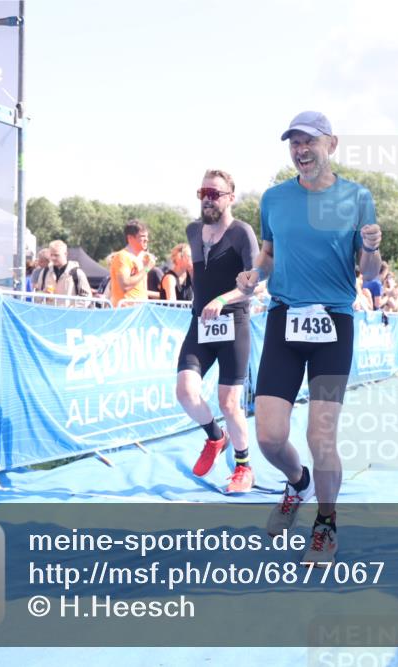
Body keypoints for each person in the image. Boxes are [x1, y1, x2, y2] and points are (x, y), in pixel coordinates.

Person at [236, 111, 382, 563]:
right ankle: (297, 482)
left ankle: (325, 523)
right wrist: (255, 273)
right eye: (294, 142)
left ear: (331, 145)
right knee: (269, 437)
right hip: (283, 320)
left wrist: (374, 249)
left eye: (309, 141)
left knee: (321, 437)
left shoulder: (357, 198)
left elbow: (371, 276)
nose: (301, 149)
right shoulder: (274, 199)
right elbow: (269, 252)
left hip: (334, 322)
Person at [177, 169, 260, 493]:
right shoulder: (193, 231)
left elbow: (253, 283)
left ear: (230, 198)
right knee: (185, 391)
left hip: (233, 323)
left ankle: (243, 467)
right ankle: (215, 437)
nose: (208, 199)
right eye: (203, 193)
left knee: (229, 403)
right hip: (201, 323)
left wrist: (223, 299)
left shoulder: (242, 233)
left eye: (215, 194)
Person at [109, 220, 157, 307]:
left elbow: (140, 290)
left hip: (140, 312)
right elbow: (125, 286)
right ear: (130, 238)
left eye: (147, 236)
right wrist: (147, 268)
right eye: (142, 236)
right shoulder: (122, 257)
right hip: (126, 312)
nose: (147, 239)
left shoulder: (143, 258)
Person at [37, 240, 92, 307]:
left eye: (56, 255)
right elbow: (36, 296)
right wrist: (43, 294)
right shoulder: (45, 272)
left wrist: (72, 309)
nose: (53, 258)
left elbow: (87, 297)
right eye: (51, 255)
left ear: (65, 254)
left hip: (69, 316)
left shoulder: (77, 273)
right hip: (49, 314)